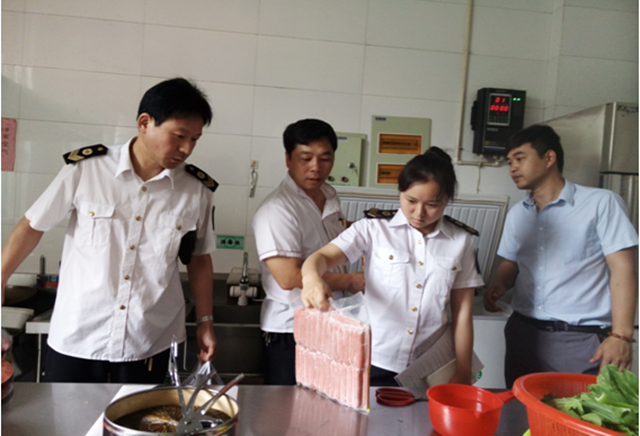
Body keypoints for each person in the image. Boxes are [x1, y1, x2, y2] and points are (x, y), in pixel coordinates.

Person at [1, 78, 218, 383]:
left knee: (143, 415)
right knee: (65, 415)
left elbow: (199, 259)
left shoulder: (197, 189)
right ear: (145, 123)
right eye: (179, 136)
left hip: (149, 340)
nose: (186, 149)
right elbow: (32, 226)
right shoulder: (87, 168)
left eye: (195, 139)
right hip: (79, 335)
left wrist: (206, 321)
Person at [301, 147, 483, 386]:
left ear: (447, 200)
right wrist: (311, 278)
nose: (419, 213)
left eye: (432, 204)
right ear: (400, 192)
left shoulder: (461, 241)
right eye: (411, 201)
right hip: (373, 358)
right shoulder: (373, 229)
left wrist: (463, 370)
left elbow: (462, 312)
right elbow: (322, 257)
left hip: (430, 364)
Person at [484, 124, 638, 387]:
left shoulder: (601, 203)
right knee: (520, 410)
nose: (513, 168)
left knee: (580, 411)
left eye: (520, 158)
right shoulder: (517, 213)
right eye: (510, 162)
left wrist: (621, 335)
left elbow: (623, 268)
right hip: (524, 335)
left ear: (549, 158)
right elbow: (512, 261)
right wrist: (500, 283)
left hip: (580, 340)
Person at [252, 118, 365, 385]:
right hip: (291, 328)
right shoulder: (277, 209)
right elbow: (288, 277)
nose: (316, 167)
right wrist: (350, 281)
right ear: (288, 159)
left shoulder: (329, 196)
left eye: (325, 158)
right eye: (306, 158)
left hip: (330, 320)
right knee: (288, 406)